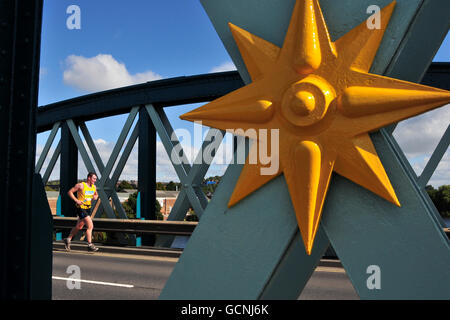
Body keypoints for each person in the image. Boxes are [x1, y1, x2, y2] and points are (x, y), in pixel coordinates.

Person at [63, 172, 99, 252]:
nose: (95, 180)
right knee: (90, 226)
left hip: (88, 208)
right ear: (89, 178)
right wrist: (76, 200)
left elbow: (96, 195)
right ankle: (90, 244)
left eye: (96, 179)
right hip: (81, 208)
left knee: (79, 226)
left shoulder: (94, 187)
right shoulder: (81, 185)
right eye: (94, 178)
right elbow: (70, 192)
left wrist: (95, 197)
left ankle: (68, 239)